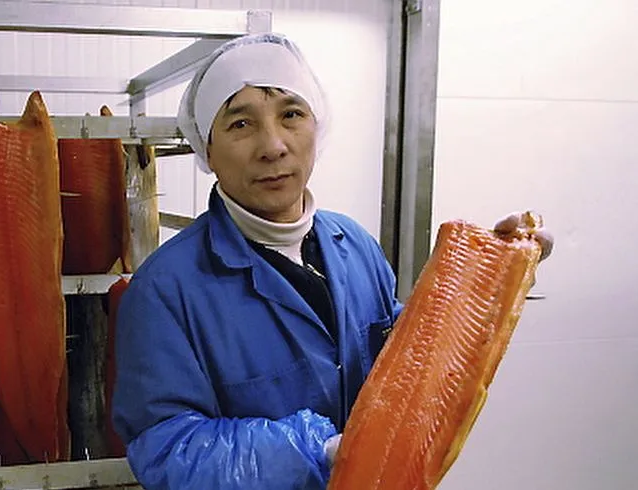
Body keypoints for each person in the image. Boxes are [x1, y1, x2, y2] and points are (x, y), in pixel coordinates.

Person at [109, 33, 554, 490]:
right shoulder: (165, 290)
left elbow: (407, 362)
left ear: (316, 127)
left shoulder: (355, 244)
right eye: (241, 124)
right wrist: (318, 452)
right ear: (207, 149)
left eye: (291, 115)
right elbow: (166, 450)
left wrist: (491, 280)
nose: (274, 145)